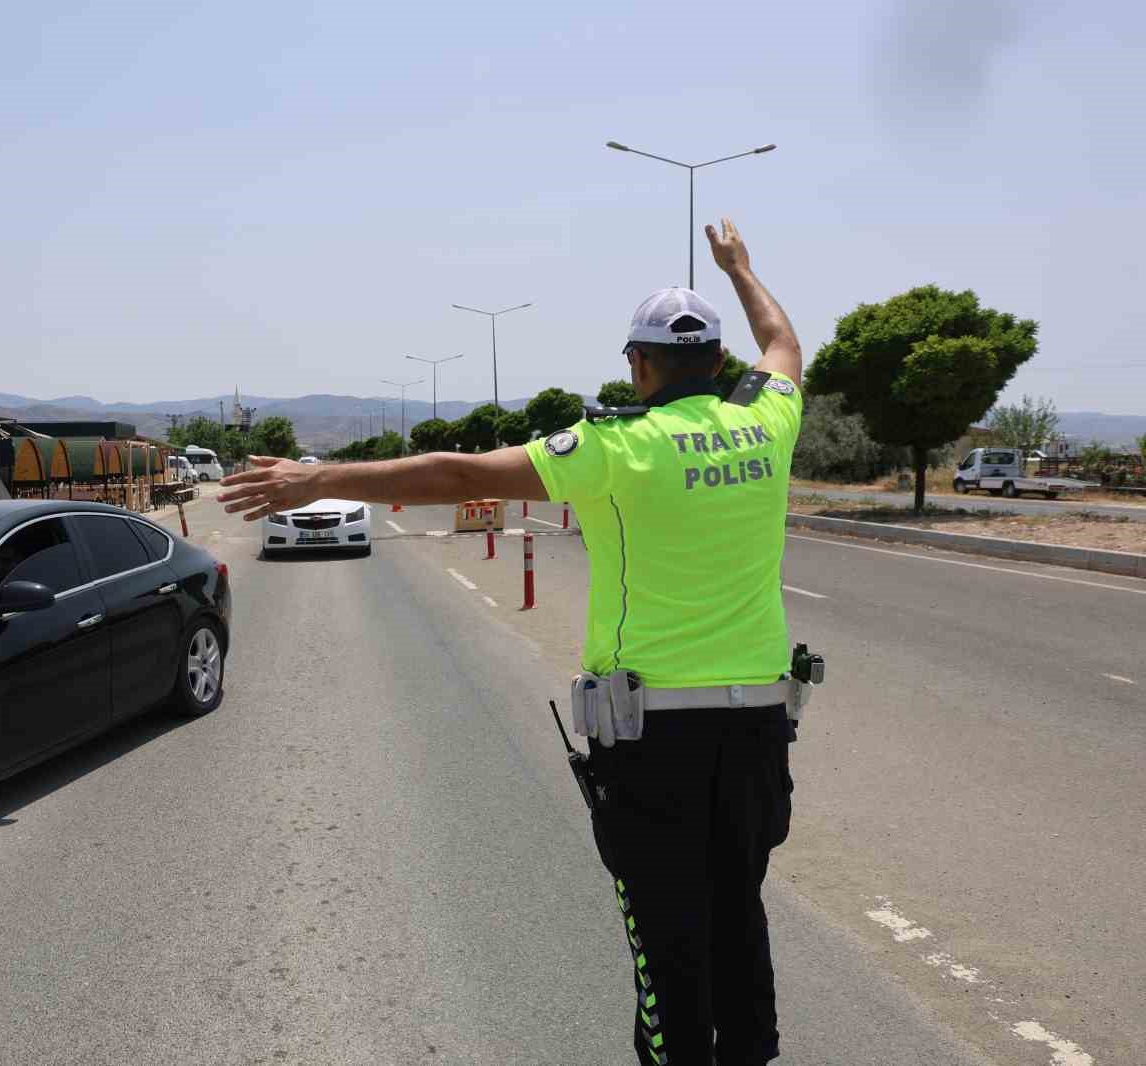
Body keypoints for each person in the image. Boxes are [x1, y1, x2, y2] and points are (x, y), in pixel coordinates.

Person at [219, 218, 803, 1066]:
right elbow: (783, 342)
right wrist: (742, 269)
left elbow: (459, 475)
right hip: (756, 730)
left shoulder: (618, 447)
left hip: (656, 740)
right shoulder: (770, 420)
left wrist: (316, 479)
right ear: (718, 362)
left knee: (669, 938)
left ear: (639, 367)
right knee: (739, 912)